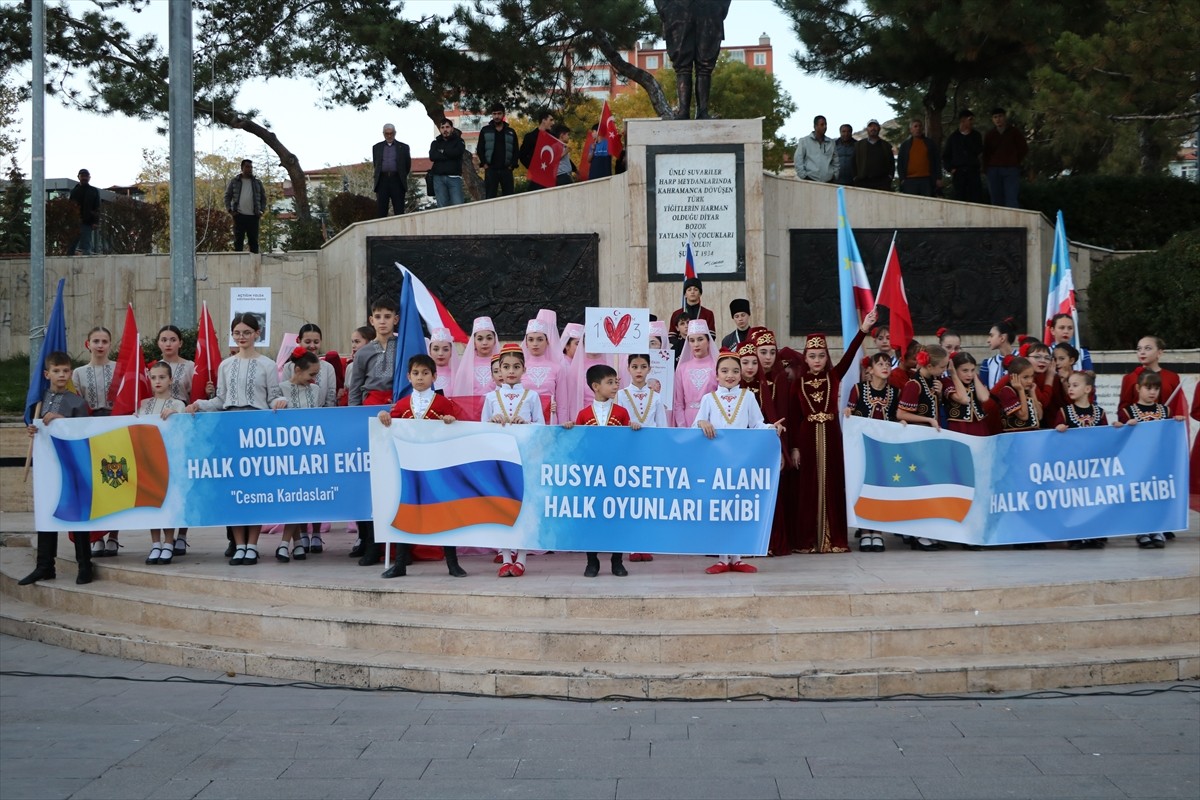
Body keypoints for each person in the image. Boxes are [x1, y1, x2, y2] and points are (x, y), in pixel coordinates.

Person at [185, 313, 282, 565]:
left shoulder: (268, 365)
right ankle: (239, 545)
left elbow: (273, 398)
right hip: (230, 428)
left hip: (257, 429)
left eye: (247, 333)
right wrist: (198, 404)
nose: (242, 337)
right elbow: (220, 400)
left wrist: (281, 402)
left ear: (257, 334)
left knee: (254, 491)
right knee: (234, 490)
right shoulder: (225, 366)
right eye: (237, 333)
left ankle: (253, 545)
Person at [787, 309, 877, 555]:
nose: (817, 360)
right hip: (806, 437)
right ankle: (808, 540)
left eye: (821, 356)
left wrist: (864, 330)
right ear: (805, 358)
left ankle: (833, 538)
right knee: (808, 486)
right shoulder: (797, 384)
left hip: (831, 435)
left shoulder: (834, 376)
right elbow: (794, 418)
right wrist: (794, 447)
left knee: (833, 483)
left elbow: (849, 356)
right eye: (812, 356)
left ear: (827, 358)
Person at [377, 354, 469, 578]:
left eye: (425, 373)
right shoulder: (401, 404)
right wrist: (383, 417)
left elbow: (462, 426)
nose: (420, 378)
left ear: (434, 376)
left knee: (445, 512)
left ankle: (452, 563)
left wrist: (451, 421)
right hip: (410, 468)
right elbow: (391, 423)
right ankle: (400, 564)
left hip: (438, 467)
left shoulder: (444, 403)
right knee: (406, 513)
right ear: (408, 376)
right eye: (416, 373)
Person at [696, 349, 784, 573]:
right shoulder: (708, 399)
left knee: (738, 507)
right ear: (716, 374)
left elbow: (757, 424)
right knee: (720, 509)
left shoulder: (748, 397)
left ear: (741, 374)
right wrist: (702, 424)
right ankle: (722, 558)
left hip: (742, 462)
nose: (730, 375)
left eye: (735, 371)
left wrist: (770, 428)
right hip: (717, 462)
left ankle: (737, 557)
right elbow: (697, 424)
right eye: (724, 371)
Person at [19, 352, 96, 586]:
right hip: (46, 467)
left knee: (77, 513)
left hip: (71, 467)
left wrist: (62, 421)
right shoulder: (38, 400)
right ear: (47, 374)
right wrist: (33, 430)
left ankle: (85, 565)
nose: (61, 375)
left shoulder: (78, 403)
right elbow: (36, 429)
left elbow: (83, 435)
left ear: (70, 373)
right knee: (46, 514)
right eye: (56, 371)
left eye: (65, 371)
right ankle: (45, 566)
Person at [563, 364, 634, 578]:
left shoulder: (621, 412)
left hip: (615, 473)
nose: (615, 386)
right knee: (591, 517)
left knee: (617, 517)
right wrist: (569, 428)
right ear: (595, 386)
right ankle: (592, 561)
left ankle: (617, 561)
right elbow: (578, 442)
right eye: (610, 382)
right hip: (591, 474)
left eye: (616, 382)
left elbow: (628, 442)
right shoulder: (584, 414)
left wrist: (634, 428)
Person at [345, 297, 401, 566]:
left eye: (387, 316)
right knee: (368, 480)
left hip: (396, 412)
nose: (382, 321)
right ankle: (370, 544)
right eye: (377, 316)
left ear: (396, 319)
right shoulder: (364, 352)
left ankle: (401, 548)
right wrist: (355, 417)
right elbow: (355, 388)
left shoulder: (403, 346)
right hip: (369, 412)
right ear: (371, 320)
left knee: (397, 476)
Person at [1118, 371, 1185, 549]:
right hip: (1137, 463)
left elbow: (1169, 435)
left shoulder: (1165, 410)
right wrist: (1124, 426)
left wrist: (1176, 421)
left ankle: (1158, 528)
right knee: (1141, 496)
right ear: (1138, 388)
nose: (1152, 392)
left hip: (1158, 463)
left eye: (1156, 388)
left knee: (1158, 495)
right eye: (1148, 388)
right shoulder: (1127, 412)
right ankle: (1142, 530)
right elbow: (1119, 437)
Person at [845, 352, 900, 553]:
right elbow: (850, 414)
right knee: (863, 486)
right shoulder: (858, 390)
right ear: (870, 369)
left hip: (884, 448)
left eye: (888, 364)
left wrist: (901, 423)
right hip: (862, 447)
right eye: (880, 364)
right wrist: (848, 414)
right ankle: (864, 530)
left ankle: (877, 531)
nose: (885, 367)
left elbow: (896, 416)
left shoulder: (895, 392)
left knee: (880, 488)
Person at [74, 325, 119, 557]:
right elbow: (75, 402)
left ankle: (114, 535)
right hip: (90, 427)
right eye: (96, 341)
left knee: (116, 477)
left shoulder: (120, 369)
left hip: (115, 425)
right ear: (87, 344)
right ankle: (97, 536)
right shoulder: (78, 373)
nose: (100, 346)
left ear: (110, 344)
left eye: (104, 341)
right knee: (96, 482)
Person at [1054, 370, 1112, 549]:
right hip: (1073, 467)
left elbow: (1106, 436)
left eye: (1075, 385)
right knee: (1075, 501)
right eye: (1069, 385)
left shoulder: (1099, 412)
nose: (1070, 388)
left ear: (1088, 389)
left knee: (1094, 500)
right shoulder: (1064, 412)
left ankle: (1095, 533)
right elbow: (1053, 438)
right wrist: (1058, 429)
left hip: (1094, 466)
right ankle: (1076, 535)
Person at [137, 361, 186, 566]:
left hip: (169, 459)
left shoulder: (178, 404)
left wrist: (175, 415)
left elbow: (184, 429)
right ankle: (155, 542)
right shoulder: (143, 404)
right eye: (154, 377)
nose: (157, 381)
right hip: (149, 459)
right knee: (152, 502)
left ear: (170, 379)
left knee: (168, 501)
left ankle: (168, 542)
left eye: (162, 377)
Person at [655, 0, 731, 119]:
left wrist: (719, 7)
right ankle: (683, 111)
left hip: (709, 10)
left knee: (705, 64)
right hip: (677, 10)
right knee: (682, 64)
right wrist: (666, 8)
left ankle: (703, 111)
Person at [1120, 336, 1184, 417]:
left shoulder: (1172, 377)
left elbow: (1178, 405)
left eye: (1148, 348)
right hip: (1138, 426)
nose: (1142, 352)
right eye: (1139, 349)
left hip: (1166, 425)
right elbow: (1123, 409)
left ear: (1159, 352)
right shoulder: (1130, 378)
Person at [672, 319, 718, 428]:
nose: (696, 344)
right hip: (687, 420)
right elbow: (678, 403)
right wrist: (682, 427)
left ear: (708, 341)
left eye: (700, 339)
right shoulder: (682, 369)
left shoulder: (717, 366)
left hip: (711, 420)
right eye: (692, 340)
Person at [521, 314, 565, 423]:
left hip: (550, 421)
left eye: (540, 339)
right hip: (523, 421)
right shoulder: (520, 367)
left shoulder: (557, 368)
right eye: (531, 340)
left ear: (547, 341)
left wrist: (561, 429)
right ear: (526, 343)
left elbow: (562, 403)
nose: (535, 344)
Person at [982, 107, 1027, 208]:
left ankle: (1012, 223)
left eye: (1000, 116)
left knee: (1011, 199)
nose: (998, 119)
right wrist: (986, 169)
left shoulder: (1014, 132)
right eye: (995, 117)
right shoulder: (990, 135)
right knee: (996, 199)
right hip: (993, 169)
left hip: (1010, 169)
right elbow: (985, 153)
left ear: (1005, 117)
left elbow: (1023, 148)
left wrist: (1015, 160)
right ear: (992, 119)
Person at [476, 103, 519, 198]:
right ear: (492, 115)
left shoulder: (510, 131)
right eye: (494, 114)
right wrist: (485, 164)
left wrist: (512, 165)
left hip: (506, 169)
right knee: (490, 198)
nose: (496, 116)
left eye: (499, 113)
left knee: (509, 198)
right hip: (491, 170)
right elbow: (480, 149)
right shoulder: (485, 130)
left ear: (503, 114)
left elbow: (516, 150)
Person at [224, 159, 267, 253]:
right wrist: (230, 210)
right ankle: (238, 265)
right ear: (242, 168)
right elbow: (227, 196)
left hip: (253, 216)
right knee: (238, 242)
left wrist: (262, 211)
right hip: (239, 216)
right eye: (247, 167)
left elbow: (263, 198)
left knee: (254, 242)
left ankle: (255, 265)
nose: (250, 169)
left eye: (251, 167)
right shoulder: (235, 181)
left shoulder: (257, 183)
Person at [943, 352, 990, 436]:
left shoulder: (975, 380)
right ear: (954, 369)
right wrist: (954, 375)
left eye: (972, 370)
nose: (969, 374)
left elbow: (984, 398)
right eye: (965, 370)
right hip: (959, 427)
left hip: (979, 425)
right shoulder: (948, 381)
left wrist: (975, 376)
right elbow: (964, 399)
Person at [943, 109, 983, 203]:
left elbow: (979, 151)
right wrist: (950, 168)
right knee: (960, 198)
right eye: (970, 119)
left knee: (976, 198)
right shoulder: (953, 137)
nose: (972, 122)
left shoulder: (976, 135)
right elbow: (946, 156)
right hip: (959, 172)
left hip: (973, 171)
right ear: (963, 120)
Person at [372, 123, 411, 217]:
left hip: (397, 180)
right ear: (383, 134)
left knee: (399, 209)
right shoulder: (376, 147)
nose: (389, 135)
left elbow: (407, 165)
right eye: (387, 133)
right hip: (382, 181)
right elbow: (376, 164)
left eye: (391, 133)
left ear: (395, 133)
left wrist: (400, 175)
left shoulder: (404, 147)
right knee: (381, 210)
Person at [996, 357, 1042, 432]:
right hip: (1015, 437)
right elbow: (1024, 416)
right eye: (1025, 377)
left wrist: (1032, 393)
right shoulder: (1006, 391)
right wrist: (1020, 390)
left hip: (1031, 435)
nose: (1030, 381)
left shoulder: (1028, 390)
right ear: (1013, 377)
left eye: (1032, 376)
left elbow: (1039, 416)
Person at [897, 119, 942, 197]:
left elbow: (937, 161)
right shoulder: (905, 145)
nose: (918, 128)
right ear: (911, 130)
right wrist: (902, 179)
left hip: (927, 180)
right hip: (910, 181)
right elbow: (900, 163)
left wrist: (938, 178)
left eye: (920, 126)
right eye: (915, 126)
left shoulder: (930, 143)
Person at [428, 119, 466, 208]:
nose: (445, 130)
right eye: (442, 127)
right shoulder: (435, 143)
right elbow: (432, 156)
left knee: (458, 206)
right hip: (438, 178)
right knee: (442, 208)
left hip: (454, 178)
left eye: (447, 127)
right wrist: (449, 154)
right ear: (440, 129)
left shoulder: (459, 141)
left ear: (452, 128)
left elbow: (457, 153)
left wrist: (442, 151)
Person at [854, 119, 894, 191]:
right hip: (863, 182)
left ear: (879, 128)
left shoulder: (886, 146)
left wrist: (890, 177)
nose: (873, 128)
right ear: (867, 129)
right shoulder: (858, 145)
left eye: (875, 126)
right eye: (870, 126)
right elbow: (852, 161)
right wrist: (855, 177)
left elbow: (891, 163)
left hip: (882, 183)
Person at [978, 317, 1018, 389]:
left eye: (991, 335)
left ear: (1002, 338)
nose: (988, 340)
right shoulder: (988, 363)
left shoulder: (1022, 360)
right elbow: (983, 391)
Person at [794, 115, 836, 182]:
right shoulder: (804, 141)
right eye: (822, 125)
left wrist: (835, 175)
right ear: (815, 126)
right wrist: (804, 176)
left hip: (829, 182)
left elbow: (836, 161)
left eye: (826, 124)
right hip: (810, 181)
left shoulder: (831, 142)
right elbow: (798, 160)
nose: (825, 127)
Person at [68, 168, 101, 255]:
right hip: (75, 223)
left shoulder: (93, 191)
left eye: (86, 176)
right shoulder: (74, 191)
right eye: (82, 176)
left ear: (89, 177)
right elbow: (70, 207)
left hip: (87, 223)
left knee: (85, 246)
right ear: (78, 177)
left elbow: (97, 207)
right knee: (71, 245)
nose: (84, 178)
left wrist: (95, 221)